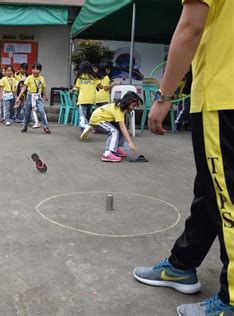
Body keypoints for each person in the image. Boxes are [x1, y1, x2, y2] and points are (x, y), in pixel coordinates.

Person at [133, 0, 234, 314]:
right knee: (211, 188)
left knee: (227, 197)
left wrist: (164, 96)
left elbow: (191, 26)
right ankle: (182, 264)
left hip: (223, 95)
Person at [88, 92, 141, 162]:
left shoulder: (120, 107)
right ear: (128, 102)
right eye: (133, 105)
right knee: (114, 132)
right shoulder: (118, 110)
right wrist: (130, 142)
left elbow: (122, 127)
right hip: (97, 120)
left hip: (104, 119)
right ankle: (107, 154)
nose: (133, 108)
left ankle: (115, 148)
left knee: (120, 127)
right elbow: (123, 127)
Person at [15, 63, 51, 134]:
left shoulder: (41, 78)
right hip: (29, 97)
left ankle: (46, 127)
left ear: (40, 70)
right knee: (27, 113)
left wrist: (46, 96)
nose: (35, 71)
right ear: (32, 70)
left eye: (37, 69)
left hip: (38, 97)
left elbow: (43, 88)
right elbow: (24, 88)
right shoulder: (29, 78)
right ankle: (25, 126)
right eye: (34, 69)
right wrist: (18, 97)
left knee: (41, 111)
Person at [74, 60, 102, 140]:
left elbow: (78, 89)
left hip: (83, 99)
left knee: (82, 116)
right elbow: (101, 87)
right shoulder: (94, 77)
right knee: (87, 115)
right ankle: (84, 132)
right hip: (91, 99)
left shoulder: (80, 77)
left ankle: (86, 126)